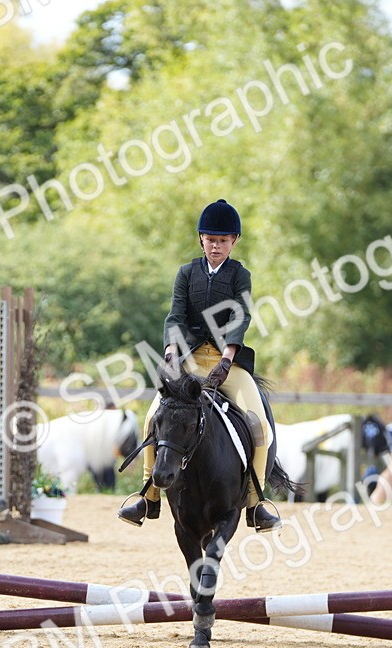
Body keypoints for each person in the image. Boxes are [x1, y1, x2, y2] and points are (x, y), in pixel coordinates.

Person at [117, 199, 281, 531]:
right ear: (201, 239)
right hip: (190, 361)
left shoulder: (239, 275)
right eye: (210, 239)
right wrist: (170, 355)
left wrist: (226, 359)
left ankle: (255, 501)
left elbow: (240, 316)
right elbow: (175, 315)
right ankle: (147, 495)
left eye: (222, 240)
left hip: (227, 364)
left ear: (234, 241)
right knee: (152, 417)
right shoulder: (187, 273)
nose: (216, 245)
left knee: (258, 422)